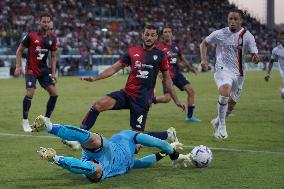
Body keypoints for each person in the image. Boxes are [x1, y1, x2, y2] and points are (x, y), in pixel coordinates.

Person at [63, 24, 185, 148]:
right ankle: (78, 139)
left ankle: (167, 135)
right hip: (126, 94)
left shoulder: (160, 55)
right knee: (98, 105)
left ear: (156, 37)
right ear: (142, 35)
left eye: (152, 35)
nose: (149, 37)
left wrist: (176, 100)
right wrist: (95, 78)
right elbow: (114, 68)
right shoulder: (132, 51)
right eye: (147, 34)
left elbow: (168, 80)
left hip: (142, 100)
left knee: (136, 142)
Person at [32, 115, 191, 182]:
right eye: (141, 145)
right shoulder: (130, 136)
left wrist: (167, 151)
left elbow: (147, 162)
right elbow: (158, 143)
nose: (141, 147)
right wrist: (174, 153)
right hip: (106, 148)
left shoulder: (131, 163)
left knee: (94, 170)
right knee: (93, 138)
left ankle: (55, 158)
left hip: (103, 168)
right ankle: (49, 127)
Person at [200, 9, 260, 139]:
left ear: (241, 21)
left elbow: (254, 55)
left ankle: (217, 121)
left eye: (235, 19)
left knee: (231, 105)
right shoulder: (220, 33)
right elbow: (204, 43)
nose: (232, 21)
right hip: (222, 69)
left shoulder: (247, 36)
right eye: (230, 19)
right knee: (225, 92)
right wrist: (204, 59)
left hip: (239, 73)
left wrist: (255, 58)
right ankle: (222, 125)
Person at [14, 13, 58, 132]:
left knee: (54, 94)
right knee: (30, 93)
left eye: (48, 21)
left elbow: (53, 57)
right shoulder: (32, 35)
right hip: (31, 69)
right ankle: (25, 121)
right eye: (43, 21)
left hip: (44, 71)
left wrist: (53, 73)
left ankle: (47, 120)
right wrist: (18, 67)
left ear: (50, 23)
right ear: (40, 22)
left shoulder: (52, 38)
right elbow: (19, 50)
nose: (46, 23)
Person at [154, 26, 201, 122]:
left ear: (172, 33)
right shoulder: (159, 48)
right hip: (167, 76)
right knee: (167, 99)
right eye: (165, 32)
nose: (167, 33)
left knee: (191, 91)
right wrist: (159, 72)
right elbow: (155, 62)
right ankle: (150, 100)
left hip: (177, 74)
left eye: (169, 31)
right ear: (162, 35)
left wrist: (190, 68)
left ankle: (190, 117)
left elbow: (182, 58)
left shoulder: (175, 46)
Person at [264, 30, 284, 99]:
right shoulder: (276, 50)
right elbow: (271, 62)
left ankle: (282, 90)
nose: (283, 40)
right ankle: (282, 91)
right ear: (279, 39)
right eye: (282, 38)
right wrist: (268, 74)